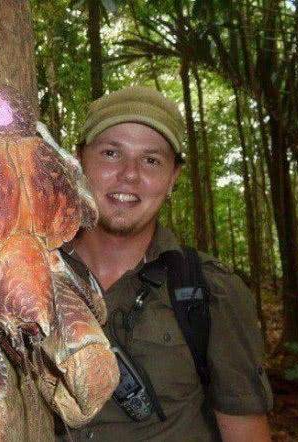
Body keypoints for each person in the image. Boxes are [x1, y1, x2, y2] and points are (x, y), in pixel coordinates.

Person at [59, 86, 273, 441]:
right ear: (79, 161)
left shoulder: (210, 290)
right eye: (111, 153)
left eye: (151, 160)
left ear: (173, 177)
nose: (129, 174)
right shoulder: (28, 274)